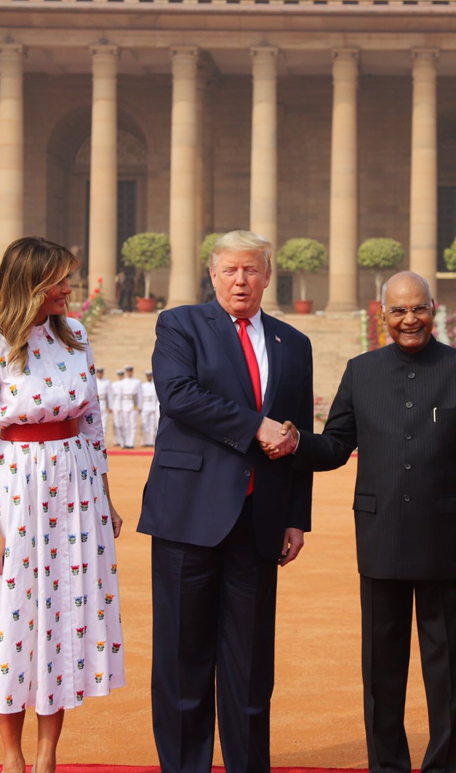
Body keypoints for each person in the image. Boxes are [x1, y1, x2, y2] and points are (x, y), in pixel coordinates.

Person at [288, 271, 456, 773]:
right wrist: (297, 442)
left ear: (433, 310)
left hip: (447, 546)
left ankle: (443, 765)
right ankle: (387, 766)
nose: (409, 320)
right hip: (379, 539)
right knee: (381, 671)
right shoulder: (362, 371)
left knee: (445, 672)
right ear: (382, 316)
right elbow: (337, 444)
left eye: (418, 309)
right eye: (398, 311)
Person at [0, 235, 124, 773]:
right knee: (14, 619)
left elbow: (92, 423)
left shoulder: (77, 337)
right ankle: (11, 757)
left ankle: (48, 756)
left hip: (76, 489)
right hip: (17, 490)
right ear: (31, 283)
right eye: (61, 279)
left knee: (64, 613)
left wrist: (106, 498)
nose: (70, 288)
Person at [137, 229, 313, 773]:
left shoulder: (292, 342)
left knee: (250, 665)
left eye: (251, 270)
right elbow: (181, 397)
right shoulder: (181, 325)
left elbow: (297, 433)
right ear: (212, 275)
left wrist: (295, 516)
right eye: (230, 270)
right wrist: (255, 426)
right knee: (182, 658)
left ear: (267, 276)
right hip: (189, 513)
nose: (241, 280)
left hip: (259, 520)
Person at [116, 366, 141, 449]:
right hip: (124, 404)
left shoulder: (137, 381)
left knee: (133, 424)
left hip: (133, 404)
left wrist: (140, 407)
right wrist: (119, 407)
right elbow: (119, 396)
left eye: (130, 371)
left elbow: (140, 395)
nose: (129, 373)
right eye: (128, 371)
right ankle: (126, 442)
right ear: (126, 372)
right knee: (125, 425)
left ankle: (132, 443)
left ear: (132, 372)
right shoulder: (122, 382)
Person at [140, 370, 159, 448]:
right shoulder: (143, 386)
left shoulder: (155, 385)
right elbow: (140, 397)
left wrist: (155, 407)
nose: (149, 377)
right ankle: (146, 441)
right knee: (145, 424)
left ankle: (151, 441)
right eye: (148, 376)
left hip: (153, 407)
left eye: (150, 376)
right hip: (145, 406)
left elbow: (156, 397)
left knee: (152, 425)